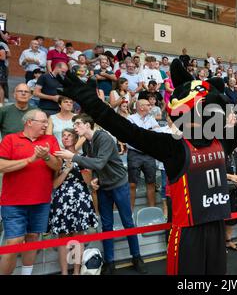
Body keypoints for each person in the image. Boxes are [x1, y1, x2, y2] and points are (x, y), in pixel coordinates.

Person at [58, 59, 237, 275]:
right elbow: (124, 129)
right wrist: (89, 100)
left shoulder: (221, 140)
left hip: (216, 226)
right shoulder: (172, 147)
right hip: (187, 232)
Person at [54, 114, 147, 275]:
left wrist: (73, 157)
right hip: (104, 187)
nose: (75, 127)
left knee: (127, 222)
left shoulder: (103, 138)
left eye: (77, 124)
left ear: (88, 125)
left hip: (119, 184)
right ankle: (110, 262)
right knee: (106, 225)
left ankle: (137, 257)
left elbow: (99, 162)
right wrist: (95, 178)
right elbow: (96, 167)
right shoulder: (88, 145)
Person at [0, 109, 62, 275]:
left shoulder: (50, 139)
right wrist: (30, 159)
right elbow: (1, 166)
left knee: (33, 239)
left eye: (46, 122)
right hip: (13, 202)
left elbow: (57, 166)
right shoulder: (10, 139)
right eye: (42, 121)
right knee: (14, 242)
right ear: (29, 122)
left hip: (41, 201)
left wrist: (46, 156)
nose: (46, 125)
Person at [48, 129, 98, 275]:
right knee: (63, 237)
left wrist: (79, 163)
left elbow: (88, 182)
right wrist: (66, 170)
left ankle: (76, 271)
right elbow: (54, 185)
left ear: (76, 139)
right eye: (63, 136)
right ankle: (64, 272)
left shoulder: (82, 158)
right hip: (62, 200)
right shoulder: (57, 158)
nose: (66, 138)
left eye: (69, 135)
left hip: (80, 199)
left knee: (78, 235)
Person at [127, 99, 159, 208]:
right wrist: (149, 133)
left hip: (149, 153)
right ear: (141, 107)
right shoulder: (130, 119)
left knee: (151, 183)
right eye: (148, 105)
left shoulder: (151, 118)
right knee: (132, 184)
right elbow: (133, 136)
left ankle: (152, 210)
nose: (151, 106)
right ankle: (129, 212)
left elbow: (157, 132)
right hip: (134, 154)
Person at [224, 149, 237, 251]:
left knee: (232, 215)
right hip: (223, 188)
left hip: (234, 188)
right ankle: (221, 243)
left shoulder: (234, 153)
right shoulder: (220, 152)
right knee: (224, 216)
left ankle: (228, 241)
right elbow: (217, 170)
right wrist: (232, 177)